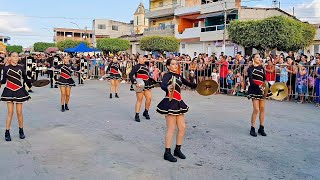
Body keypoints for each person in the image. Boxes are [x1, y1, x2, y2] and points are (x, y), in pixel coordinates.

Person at [156, 59, 197, 162]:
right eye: (173, 64)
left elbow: (190, 85)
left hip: (178, 102)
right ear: (168, 66)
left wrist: (202, 85)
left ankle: (177, 149)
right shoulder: (168, 75)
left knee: (182, 127)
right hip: (170, 102)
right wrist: (167, 87)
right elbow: (163, 85)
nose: (175, 66)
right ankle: (167, 152)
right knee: (171, 128)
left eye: (176, 64)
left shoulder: (179, 76)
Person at [0, 52, 33, 141]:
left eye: (16, 56)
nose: (15, 58)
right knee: (10, 112)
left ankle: (21, 131)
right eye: (13, 56)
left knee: (19, 113)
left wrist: (32, 81)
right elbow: (3, 81)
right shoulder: (5, 68)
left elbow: (26, 79)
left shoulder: (21, 68)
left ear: (18, 58)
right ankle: (7, 132)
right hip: (9, 91)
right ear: (10, 58)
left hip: (19, 91)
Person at [247, 53, 271, 137]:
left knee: (262, 109)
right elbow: (251, 80)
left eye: (259, 57)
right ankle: (252, 128)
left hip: (262, 90)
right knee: (256, 109)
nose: (259, 58)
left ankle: (261, 128)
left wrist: (266, 86)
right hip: (254, 89)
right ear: (253, 59)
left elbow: (264, 79)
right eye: (257, 57)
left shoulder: (262, 68)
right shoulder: (250, 69)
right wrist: (258, 86)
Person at [129, 55, 154, 122]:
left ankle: (146, 112)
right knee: (140, 99)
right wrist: (134, 82)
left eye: (143, 57)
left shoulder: (146, 65)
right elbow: (131, 75)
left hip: (147, 83)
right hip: (140, 83)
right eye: (141, 57)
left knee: (149, 98)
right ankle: (137, 115)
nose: (143, 58)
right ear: (138, 59)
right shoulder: (136, 66)